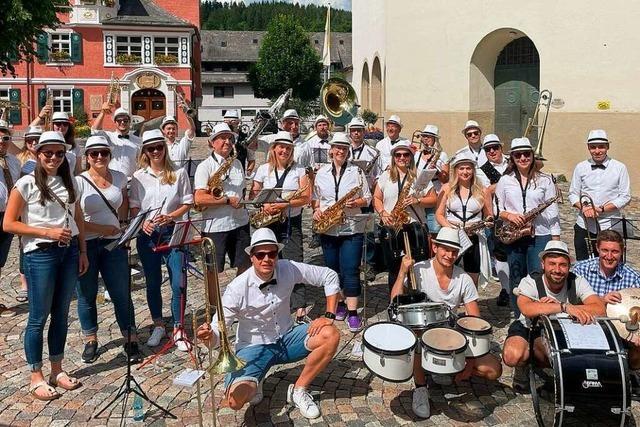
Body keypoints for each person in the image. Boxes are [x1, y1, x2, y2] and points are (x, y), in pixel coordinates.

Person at [197, 228, 341, 419]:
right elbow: (218, 330)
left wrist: (329, 315)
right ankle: (256, 377)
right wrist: (208, 336)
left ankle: (298, 390)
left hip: (287, 338)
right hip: (253, 347)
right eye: (260, 254)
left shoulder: (288, 267)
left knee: (331, 335)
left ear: (277, 254)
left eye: (271, 253)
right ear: (252, 257)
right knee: (235, 401)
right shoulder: (237, 288)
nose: (267, 259)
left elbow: (329, 276)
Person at [3, 131, 89, 401]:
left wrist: (83, 250)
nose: (53, 157)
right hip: (40, 254)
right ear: (38, 154)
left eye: (59, 153)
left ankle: (57, 368)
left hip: (69, 251)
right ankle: (35, 375)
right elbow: (8, 224)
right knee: (38, 317)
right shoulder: (26, 183)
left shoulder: (70, 181)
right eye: (48, 153)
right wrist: (46, 232)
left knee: (61, 314)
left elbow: (78, 218)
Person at [391, 227, 502, 419]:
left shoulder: (464, 278)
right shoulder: (418, 270)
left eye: (454, 251)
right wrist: (402, 272)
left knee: (493, 370)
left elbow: (474, 320)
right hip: (423, 332)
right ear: (435, 247)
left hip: (450, 335)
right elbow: (394, 302)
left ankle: (442, 369)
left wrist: (471, 360)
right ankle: (420, 388)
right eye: (445, 249)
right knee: (417, 338)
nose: (449, 255)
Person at [502, 240, 606, 391]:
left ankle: (543, 364)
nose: (557, 270)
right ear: (543, 264)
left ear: (569, 266)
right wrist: (562, 307)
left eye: (562, 265)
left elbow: (599, 308)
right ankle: (522, 366)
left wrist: (568, 309)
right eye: (552, 263)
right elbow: (526, 308)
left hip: (559, 329)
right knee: (513, 355)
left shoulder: (577, 281)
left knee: (550, 355)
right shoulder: (531, 281)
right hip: (529, 326)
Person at [75, 136, 142, 364]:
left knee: (121, 292)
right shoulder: (79, 181)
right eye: (94, 154)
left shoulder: (120, 177)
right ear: (87, 157)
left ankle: (130, 336)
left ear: (110, 155)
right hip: (87, 243)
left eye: (104, 153)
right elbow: (74, 219)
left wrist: (122, 226)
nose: (100, 157)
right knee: (87, 294)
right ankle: (91, 339)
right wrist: (101, 228)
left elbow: (122, 201)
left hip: (114, 243)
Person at [130, 129, 193, 350]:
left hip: (172, 231)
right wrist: (142, 221)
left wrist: (171, 216)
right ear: (145, 151)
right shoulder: (138, 176)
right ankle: (158, 324)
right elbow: (135, 205)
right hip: (147, 235)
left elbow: (187, 202)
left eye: (159, 147)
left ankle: (178, 327)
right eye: (151, 148)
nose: (156, 151)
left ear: (164, 148)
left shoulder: (179, 172)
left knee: (179, 283)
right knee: (153, 282)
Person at [312, 133, 372, 331]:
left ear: (348, 151)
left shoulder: (357, 172)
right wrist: (316, 210)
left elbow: (368, 198)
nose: (340, 151)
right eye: (337, 147)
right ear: (331, 150)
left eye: (344, 148)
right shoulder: (321, 173)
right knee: (332, 269)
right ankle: (338, 304)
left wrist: (356, 202)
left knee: (350, 269)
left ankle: (353, 312)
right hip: (328, 228)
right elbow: (316, 199)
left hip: (352, 226)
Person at [494, 137, 560, 315]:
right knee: (516, 277)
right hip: (515, 234)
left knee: (538, 277)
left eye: (526, 154)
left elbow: (553, 211)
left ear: (532, 156)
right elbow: (497, 208)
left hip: (540, 234)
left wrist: (555, 239)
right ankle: (519, 316)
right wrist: (509, 215)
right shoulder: (505, 180)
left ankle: (539, 315)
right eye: (518, 155)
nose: (522, 158)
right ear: (513, 158)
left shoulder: (545, 180)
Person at [251, 131, 311, 324]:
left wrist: (285, 205)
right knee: (269, 262)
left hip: (291, 221)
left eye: (288, 147)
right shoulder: (263, 169)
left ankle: (300, 307)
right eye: (281, 147)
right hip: (269, 221)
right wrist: (264, 204)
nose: (284, 150)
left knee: (295, 261)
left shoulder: (299, 170)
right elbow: (255, 195)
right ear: (274, 149)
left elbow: (306, 197)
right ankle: (271, 301)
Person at [572, 230, 640, 367]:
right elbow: (570, 305)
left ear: (622, 251)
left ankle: (632, 375)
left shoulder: (633, 277)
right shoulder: (580, 270)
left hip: (621, 332)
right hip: (585, 326)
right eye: (604, 250)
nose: (609, 256)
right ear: (597, 248)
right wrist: (601, 300)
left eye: (614, 251)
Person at [374, 141, 436, 290]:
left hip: (414, 227)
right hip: (392, 226)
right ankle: (396, 302)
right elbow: (376, 198)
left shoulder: (420, 175)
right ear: (394, 157)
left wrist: (418, 200)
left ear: (411, 157)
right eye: (398, 155)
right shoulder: (386, 176)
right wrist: (383, 213)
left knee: (418, 267)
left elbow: (434, 199)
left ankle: (417, 300)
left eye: (406, 154)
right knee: (395, 269)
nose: (402, 157)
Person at [194, 123, 251, 276]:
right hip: (216, 227)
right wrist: (227, 200)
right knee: (213, 271)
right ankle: (215, 300)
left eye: (230, 138)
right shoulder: (204, 166)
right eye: (222, 138)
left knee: (245, 266)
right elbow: (199, 199)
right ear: (213, 143)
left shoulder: (238, 163)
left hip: (240, 223)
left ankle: (238, 297)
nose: (227, 142)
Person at [568, 129, 631, 261]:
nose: (597, 151)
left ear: (607, 147)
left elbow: (625, 196)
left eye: (601, 147)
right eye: (593, 147)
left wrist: (601, 209)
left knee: (611, 264)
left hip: (610, 225)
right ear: (588, 148)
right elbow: (573, 194)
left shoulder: (620, 167)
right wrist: (585, 208)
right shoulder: (580, 167)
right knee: (583, 265)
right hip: (584, 224)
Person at [436, 152, 493, 286]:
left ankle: (469, 300)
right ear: (455, 171)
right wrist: (450, 228)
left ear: (473, 170)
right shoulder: (446, 188)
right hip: (452, 236)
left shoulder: (484, 191)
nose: (465, 172)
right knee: (447, 269)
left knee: (472, 271)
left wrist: (487, 222)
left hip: (474, 235)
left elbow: (489, 214)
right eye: (461, 168)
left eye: (468, 168)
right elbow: (439, 214)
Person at [476, 134, 511, 306]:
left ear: (501, 148)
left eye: (495, 148)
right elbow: (486, 191)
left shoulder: (513, 160)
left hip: (518, 212)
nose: (492, 151)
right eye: (488, 149)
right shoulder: (481, 169)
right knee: (500, 254)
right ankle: (506, 289)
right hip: (498, 215)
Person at [348, 116, 380, 280]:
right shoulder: (343, 150)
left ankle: (369, 264)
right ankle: (351, 262)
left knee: (368, 231)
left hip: (366, 195)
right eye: (354, 130)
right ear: (350, 132)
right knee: (349, 230)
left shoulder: (372, 152)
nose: (356, 133)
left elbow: (378, 176)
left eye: (359, 130)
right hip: (348, 196)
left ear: (363, 132)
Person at [0, 121, 21, 317]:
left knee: (0, 259)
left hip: (7, 215)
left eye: (5, 138)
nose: (1, 142)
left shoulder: (14, 161)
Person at [414, 124, 449, 236]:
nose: (425, 139)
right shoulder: (417, 154)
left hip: (435, 194)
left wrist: (437, 171)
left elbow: (446, 178)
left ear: (435, 139)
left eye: (428, 137)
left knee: (434, 230)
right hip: (418, 194)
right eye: (424, 136)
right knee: (419, 229)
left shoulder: (442, 155)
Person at [91, 105, 142, 179]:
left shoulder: (138, 140)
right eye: (119, 120)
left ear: (129, 122)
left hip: (131, 181)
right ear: (115, 122)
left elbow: (142, 161)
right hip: (111, 180)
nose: (122, 122)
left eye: (125, 120)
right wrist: (102, 112)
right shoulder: (109, 137)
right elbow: (95, 131)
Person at [30, 109, 82, 175]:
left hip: (69, 182)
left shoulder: (74, 146)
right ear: (52, 125)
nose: (62, 127)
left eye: (65, 124)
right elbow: (29, 131)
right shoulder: (45, 141)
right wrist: (40, 116)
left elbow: (78, 170)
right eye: (58, 124)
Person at [224, 109, 256, 176]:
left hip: (239, 175)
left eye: (232, 121)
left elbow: (251, 159)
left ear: (238, 122)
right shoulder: (220, 138)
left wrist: (248, 172)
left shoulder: (246, 138)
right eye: (226, 122)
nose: (229, 124)